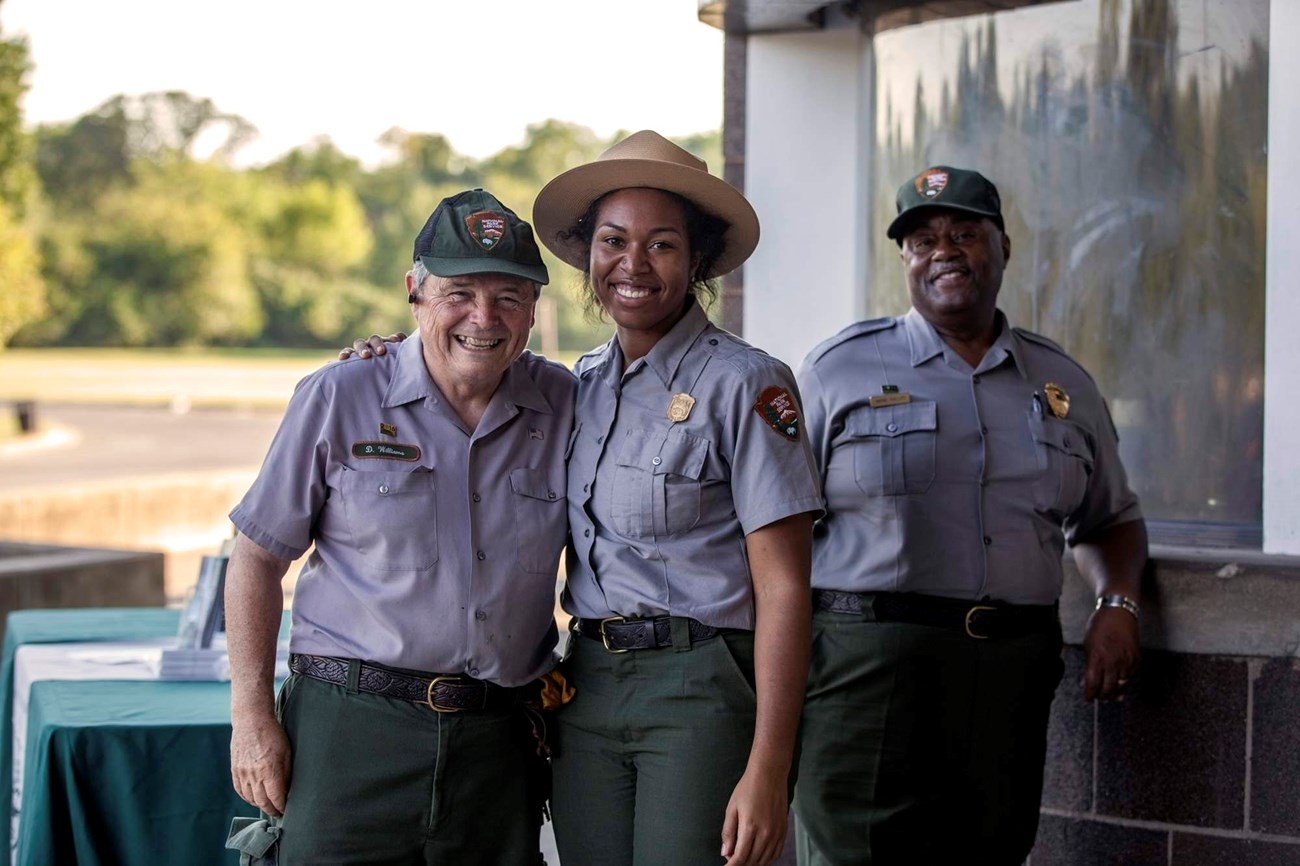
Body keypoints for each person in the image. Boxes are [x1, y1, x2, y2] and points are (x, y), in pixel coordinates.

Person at [791, 166, 1147, 865]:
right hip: (865, 669)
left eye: (964, 234)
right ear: (904, 260)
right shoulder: (839, 370)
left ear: (1004, 248)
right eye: (922, 240)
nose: (943, 251)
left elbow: (1110, 518)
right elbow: (775, 531)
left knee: (992, 852)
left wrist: (1119, 604)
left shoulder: (1063, 382)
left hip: (1010, 670)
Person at [224, 189, 573, 866]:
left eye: (509, 295)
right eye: (459, 292)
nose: (484, 316)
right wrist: (251, 716)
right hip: (351, 731)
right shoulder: (340, 394)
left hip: (499, 743)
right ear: (415, 293)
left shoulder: (567, 403)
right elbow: (257, 560)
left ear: (534, 309)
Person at [531, 130, 824, 866]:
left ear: (696, 261)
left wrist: (769, 767)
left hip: (702, 689)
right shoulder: (578, 385)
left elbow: (786, 589)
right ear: (587, 254)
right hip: (587, 687)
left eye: (660, 244)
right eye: (612, 240)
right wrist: (381, 356)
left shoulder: (747, 383)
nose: (632, 264)